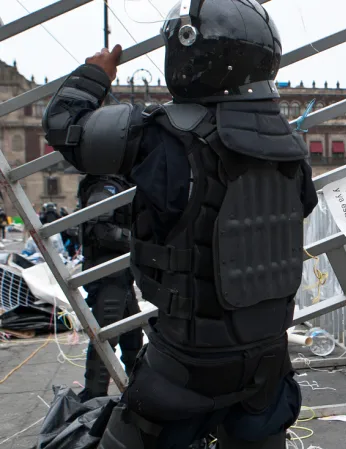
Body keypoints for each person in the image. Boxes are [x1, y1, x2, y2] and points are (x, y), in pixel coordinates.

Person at [42, 0, 317, 447]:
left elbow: (63, 125)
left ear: (189, 53)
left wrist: (96, 73)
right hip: (266, 362)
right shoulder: (290, 146)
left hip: (186, 369)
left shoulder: (161, 135)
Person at [77, 174, 143, 402]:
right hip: (107, 274)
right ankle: (93, 398)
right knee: (106, 340)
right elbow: (100, 230)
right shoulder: (105, 186)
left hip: (120, 275)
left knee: (132, 337)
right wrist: (138, 241)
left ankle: (139, 391)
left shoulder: (118, 183)